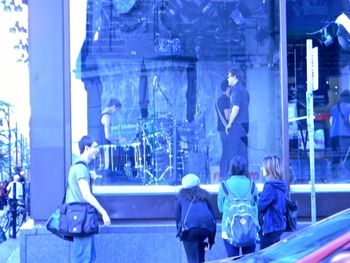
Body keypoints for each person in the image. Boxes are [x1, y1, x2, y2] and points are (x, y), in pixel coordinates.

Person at [66, 135, 111, 262]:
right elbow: (86, 195)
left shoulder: (79, 167)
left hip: (80, 218)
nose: (97, 150)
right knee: (84, 258)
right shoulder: (80, 168)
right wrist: (104, 212)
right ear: (86, 148)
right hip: (82, 219)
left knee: (87, 257)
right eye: (95, 147)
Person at [217, 155, 258, 258]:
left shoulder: (224, 185)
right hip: (250, 229)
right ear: (245, 168)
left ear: (231, 168)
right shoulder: (252, 185)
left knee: (233, 259)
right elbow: (256, 206)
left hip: (229, 230)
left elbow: (221, 208)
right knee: (249, 259)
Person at [175, 173, 217, 263]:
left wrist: (180, 234)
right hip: (206, 229)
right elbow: (213, 219)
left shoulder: (181, 197)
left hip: (189, 230)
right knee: (200, 257)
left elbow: (178, 218)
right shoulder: (205, 195)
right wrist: (211, 240)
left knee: (192, 259)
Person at [258, 155, 287, 250]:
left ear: (269, 169)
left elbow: (260, 206)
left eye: (263, 166)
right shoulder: (280, 184)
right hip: (279, 225)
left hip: (270, 227)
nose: (262, 168)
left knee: (265, 256)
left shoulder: (270, 186)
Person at [225, 68, 249, 162]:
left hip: (237, 125)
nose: (228, 79)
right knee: (242, 152)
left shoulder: (235, 90)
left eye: (229, 76)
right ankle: (243, 174)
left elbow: (236, 107)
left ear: (235, 76)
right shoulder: (244, 89)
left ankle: (234, 174)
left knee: (233, 151)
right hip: (244, 124)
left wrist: (229, 123)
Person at [330, 90, 350, 179]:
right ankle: (346, 177)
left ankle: (335, 175)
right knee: (346, 157)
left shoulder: (335, 107)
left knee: (335, 156)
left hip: (333, 135)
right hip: (345, 135)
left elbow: (331, 122)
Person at [216, 79, 232, 180]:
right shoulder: (225, 100)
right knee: (227, 152)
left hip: (222, 129)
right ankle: (224, 175)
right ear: (228, 88)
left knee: (226, 152)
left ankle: (223, 175)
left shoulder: (219, 99)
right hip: (226, 130)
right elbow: (227, 116)